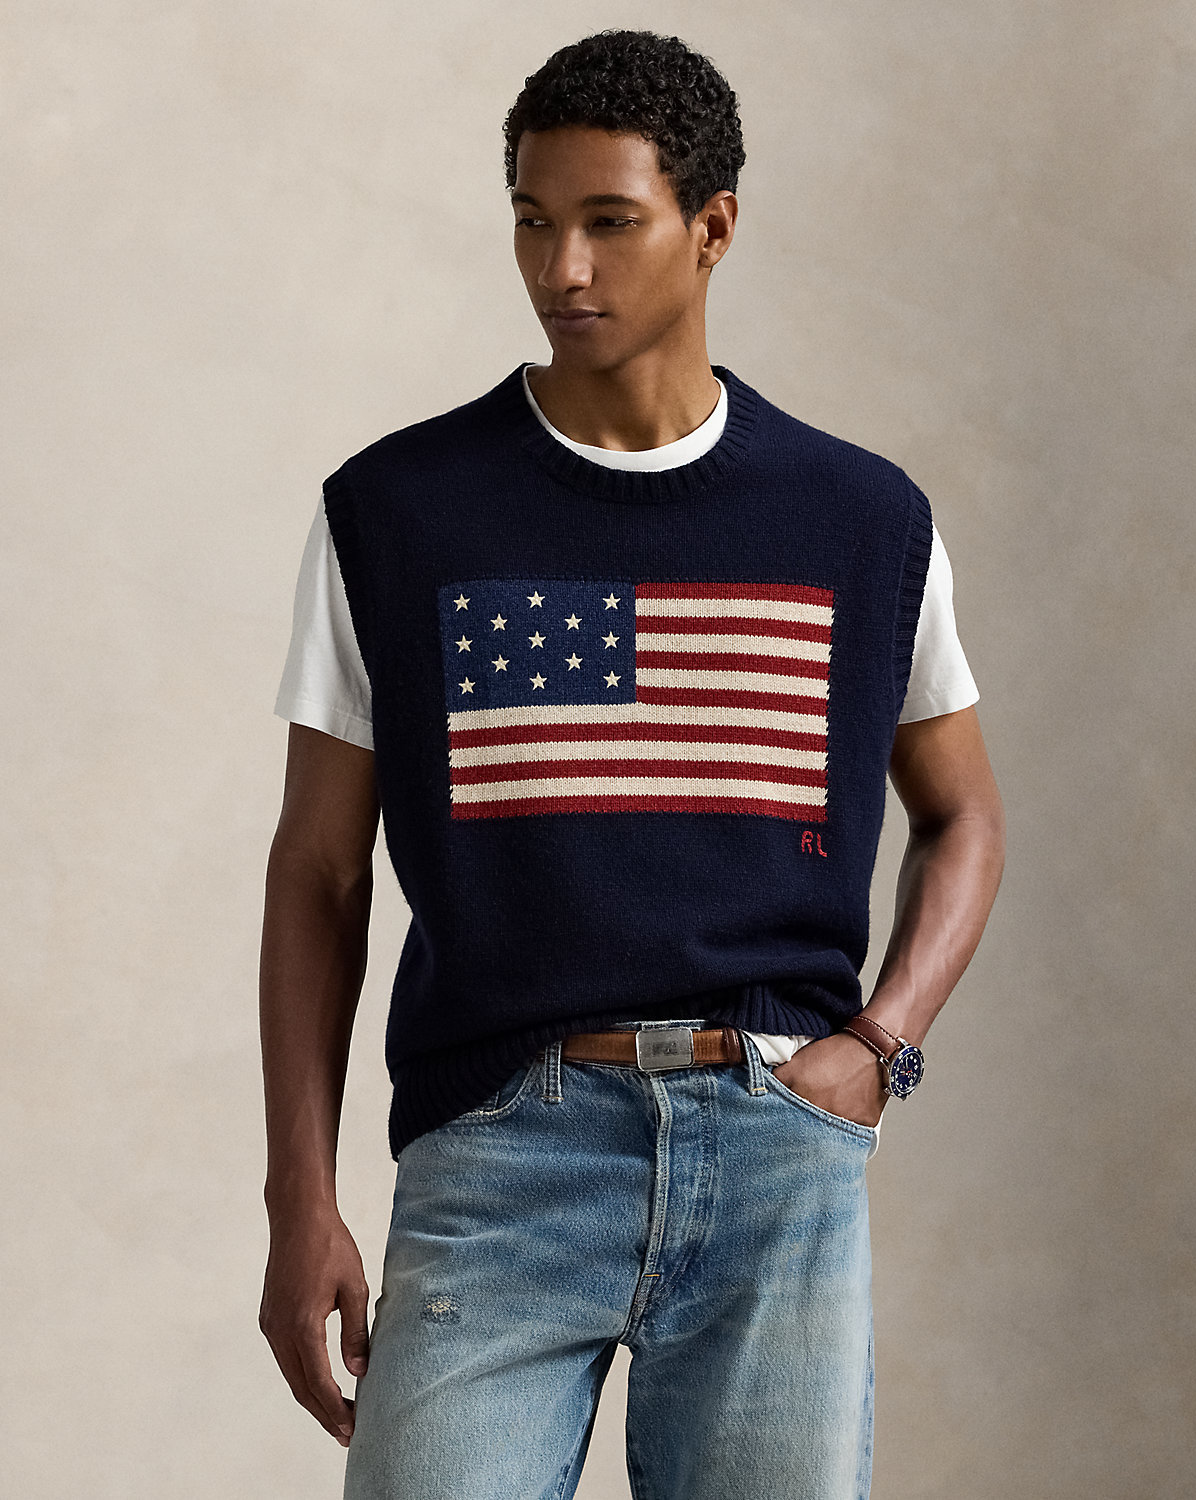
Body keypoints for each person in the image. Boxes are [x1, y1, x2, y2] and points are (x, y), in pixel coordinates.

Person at [257, 28, 1006, 1500]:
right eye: (534, 220)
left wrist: (879, 1047)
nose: (563, 269)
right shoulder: (396, 513)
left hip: (779, 1146)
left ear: (712, 227)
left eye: (610, 221)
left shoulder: (862, 520)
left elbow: (966, 814)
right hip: (498, 1146)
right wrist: (301, 1196)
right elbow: (319, 872)